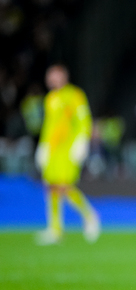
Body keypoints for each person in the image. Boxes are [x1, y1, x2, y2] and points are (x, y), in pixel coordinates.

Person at [35, 64, 100, 245]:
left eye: (54, 75)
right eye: (50, 75)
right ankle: (55, 229)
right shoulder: (50, 99)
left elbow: (83, 119)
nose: (51, 78)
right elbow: (48, 126)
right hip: (53, 150)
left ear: (63, 76)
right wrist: (43, 146)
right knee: (51, 187)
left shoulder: (74, 95)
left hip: (68, 148)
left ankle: (90, 216)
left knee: (64, 185)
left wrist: (81, 142)